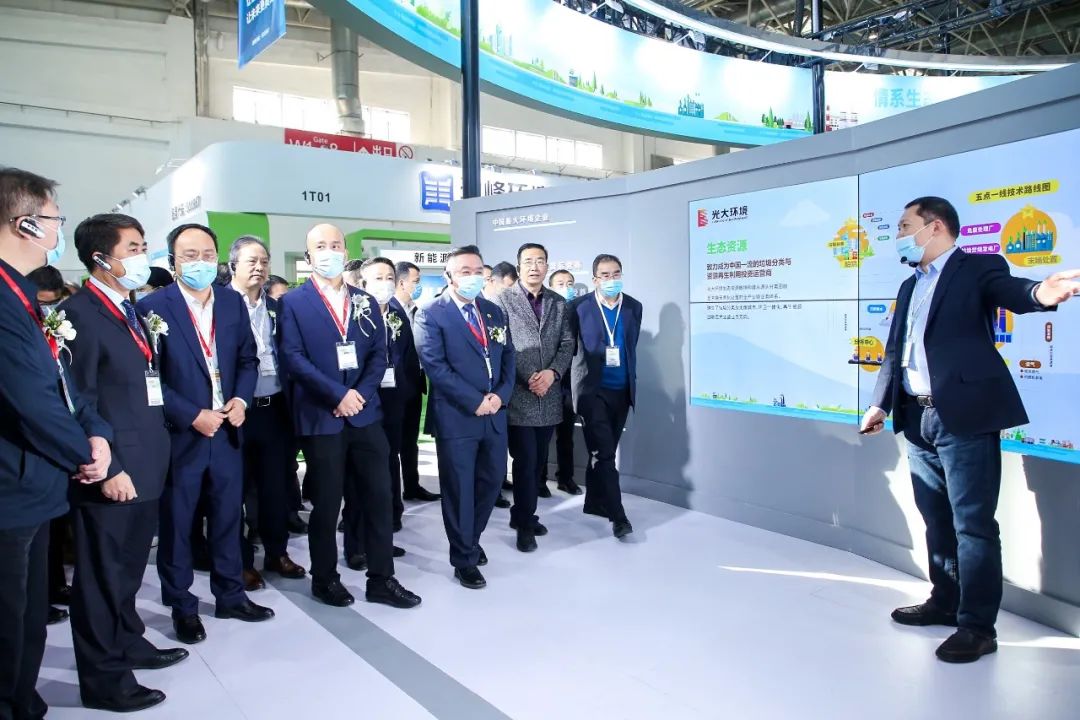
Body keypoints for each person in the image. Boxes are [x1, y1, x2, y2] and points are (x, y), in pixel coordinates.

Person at [859, 196, 1080, 663]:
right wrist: (880, 404)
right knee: (936, 518)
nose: (898, 235)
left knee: (973, 526)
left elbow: (1014, 292)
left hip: (964, 417)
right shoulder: (910, 284)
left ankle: (978, 628)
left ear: (935, 227)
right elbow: (895, 350)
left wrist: (1041, 293)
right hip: (916, 417)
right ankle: (945, 600)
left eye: (905, 226)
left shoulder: (977, 268)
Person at [0, 167, 114, 719]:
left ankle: (23, 700)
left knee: (26, 619)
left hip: (36, 487)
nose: (56, 229)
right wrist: (85, 453)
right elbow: (30, 399)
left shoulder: (20, 294)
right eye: (52, 218)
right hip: (12, 489)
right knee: (9, 623)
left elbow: (59, 381)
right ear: (24, 223)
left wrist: (96, 432)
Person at [65, 213, 188, 713]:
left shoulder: (129, 309)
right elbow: (78, 399)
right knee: (101, 579)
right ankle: (104, 680)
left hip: (147, 461)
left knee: (130, 568)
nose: (142, 256)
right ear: (101, 258)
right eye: (133, 248)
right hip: (112, 470)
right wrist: (110, 467)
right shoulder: (78, 314)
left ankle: (129, 641)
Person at [138, 223, 274, 645]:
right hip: (182, 435)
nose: (200, 262)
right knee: (178, 525)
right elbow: (149, 376)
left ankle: (231, 595)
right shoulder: (152, 307)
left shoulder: (231, 302)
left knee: (229, 517)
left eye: (207, 254)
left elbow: (248, 360)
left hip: (229, 430)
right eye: (190, 255)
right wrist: (191, 414)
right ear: (173, 261)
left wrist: (242, 399)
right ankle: (182, 606)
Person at [278, 224, 420, 610]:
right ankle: (325, 579)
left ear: (345, 252)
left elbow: (377, 353)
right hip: (321, 416)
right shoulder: (293, 302)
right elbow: (293, 358)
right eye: (320, 246)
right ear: (308, 256)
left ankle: (382, 579)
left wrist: (358, 395)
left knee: (379, 497)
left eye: (335, 245)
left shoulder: (364, 300)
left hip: (364, 414)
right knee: (327, 505)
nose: (329, 251)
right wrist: (337, 395)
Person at [414, 245, 514, 589]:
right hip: (458, 416)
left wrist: (500, 396)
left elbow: (508, 356)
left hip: (494, 413)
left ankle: (471, 538)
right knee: (459, 489)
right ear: (449, 276)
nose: (472, 277)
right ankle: (463, 558)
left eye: (477, 271)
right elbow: (435, 366)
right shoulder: (431, 313)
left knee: (492, 480)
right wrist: (475, 401)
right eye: (464, 271)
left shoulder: (493, 311)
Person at [228, 236, 307, 589]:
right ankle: (241, 561)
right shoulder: (220, 304)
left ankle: (277, 552)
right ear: (233, 264)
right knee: (234, 491)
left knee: (276, 486)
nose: (259, 267)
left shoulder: (277, 307)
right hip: (236, 412)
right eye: (251, 261)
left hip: (275, 408)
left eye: (264, 261)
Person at [496, 244, 573, 552]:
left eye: (540, 261)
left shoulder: (558, 302)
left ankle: (521, 514)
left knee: (539, 461)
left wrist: (552, 373)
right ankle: (525, 525)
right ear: (519, 267)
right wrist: (530, 376)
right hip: (520, 394)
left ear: (547, 266)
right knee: (525, 461)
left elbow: (567, 343)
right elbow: (502, 346)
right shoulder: (503, 300)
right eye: (528, 261)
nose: (534, 266)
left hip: (549, 394)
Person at [567, 253, 641, 539]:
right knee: (605, 453)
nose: (612, 279)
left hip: (621, 390)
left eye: (616, 274)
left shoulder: (633, 307)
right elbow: (570, 349)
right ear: (595, 279)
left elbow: (631, 346)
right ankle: (618, 516)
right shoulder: (579, 307)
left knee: (602, 451)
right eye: (605, 275)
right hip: (591, 391)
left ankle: (594, 502)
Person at [359, 258, 434, 533]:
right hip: (360, 400)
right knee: (363, 460)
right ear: (363, 282)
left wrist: (407, 392)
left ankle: (392, 513)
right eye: (378, 278)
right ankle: (357, 516)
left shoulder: (396, 314)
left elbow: (407, 355)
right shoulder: (355, 313)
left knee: (391, 455)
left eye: (389, 277)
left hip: (394, 397)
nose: (385, 283)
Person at [26, 263, 75, 624]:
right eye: (42, 304)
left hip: (64, 440)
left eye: (53, 304)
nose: (48, 311)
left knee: (56, 524)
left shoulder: (63, 329)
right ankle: (36, 601)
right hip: (32, 445)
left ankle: (54, 585)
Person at [393, 261, 439, 502]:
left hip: (415, 382)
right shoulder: (388, 309)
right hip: (394, 387)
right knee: (393, 443)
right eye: (416, 281)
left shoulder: (417, 310)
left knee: (410, 441)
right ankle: (391, 497)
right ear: (401, 282)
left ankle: (412, 486)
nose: (419, 285)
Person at [543, 270, 582, 495]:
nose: (566, 287)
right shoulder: (544, 311)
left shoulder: (579, 312)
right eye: (560, 283)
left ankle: (565, 478)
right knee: (542, 436)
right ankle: (539, 480)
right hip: (547, 380)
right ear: (550, 287)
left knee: (566, 435)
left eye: (570, 283)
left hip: (569, 382)